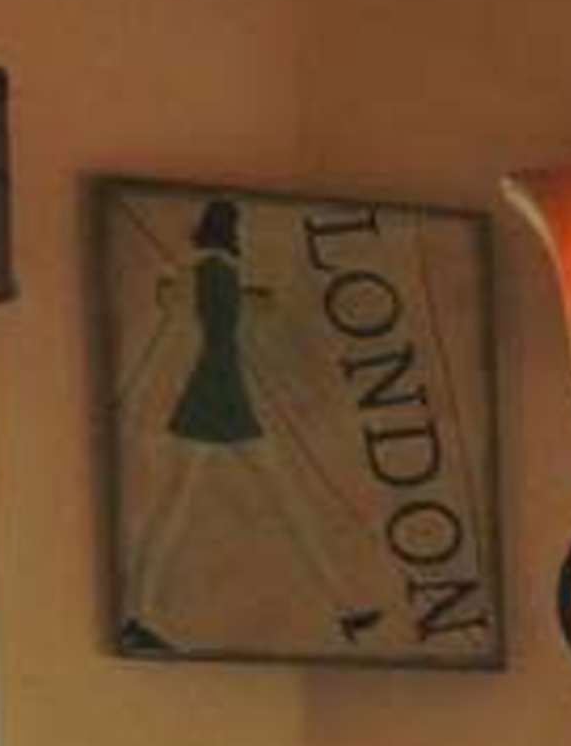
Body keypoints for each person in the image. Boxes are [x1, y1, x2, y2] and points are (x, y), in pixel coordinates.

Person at [115, 197, 382, 652]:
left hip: (226, 397)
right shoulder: (207, 277)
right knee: (197, 510)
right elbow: (175, 334)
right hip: (207, 399)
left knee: (197, 510)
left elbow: (207, 324)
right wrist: (130, 396)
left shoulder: (215, 277)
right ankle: (136, 614)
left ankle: (347, 607)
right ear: (231, 234)